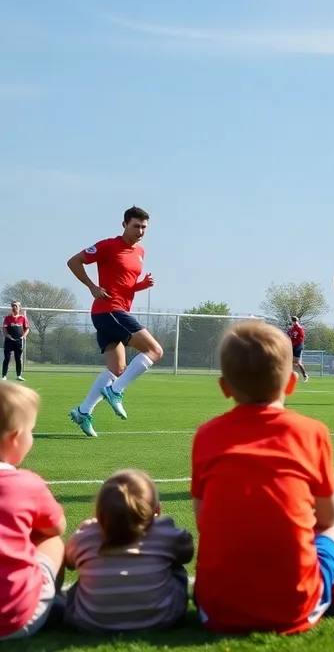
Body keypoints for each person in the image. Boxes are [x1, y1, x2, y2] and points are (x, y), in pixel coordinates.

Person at [192, 321, 334, 635]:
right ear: (290, 383)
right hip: (293, 607)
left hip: (215, 609)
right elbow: (328, 516)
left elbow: (203, 521)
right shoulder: (311, 432)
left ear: (225, 387)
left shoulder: (205, 435)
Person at [66, 206, 163, 438]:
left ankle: (83, 412)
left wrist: (140, 286)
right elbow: (74, 261)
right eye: (136, 226)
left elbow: (123, 285)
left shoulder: (140, 252)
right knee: (155, 350)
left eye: (144, 227)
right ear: (124, 225)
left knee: (117, 369)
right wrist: (92, 287)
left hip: (114, 312)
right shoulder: (108, 246)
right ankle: (116, 391)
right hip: (108, 310)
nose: (140, 231)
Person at [64, 469, 193, 632]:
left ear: (98, 512)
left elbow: (69, 562)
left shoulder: (86, 535)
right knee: (175, 566)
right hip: (163, 617)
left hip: (91, 620)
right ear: (157, 510)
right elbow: (187, 554)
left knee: (82, 575)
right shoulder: (165, 531)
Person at [0, 384, 66, 641]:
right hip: (14, 620)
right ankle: (53, 601)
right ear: (15, 438)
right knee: (50, 538)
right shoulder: (27, 484)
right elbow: (57, 526)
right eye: (32, 431)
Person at [2, 301, 29, 382]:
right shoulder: (7, 318)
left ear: (19, 307)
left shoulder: (23, 318)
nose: (14, 307)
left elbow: (27, 328)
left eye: (16, 306)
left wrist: (24, 336)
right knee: (7, 358)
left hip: (18, 341)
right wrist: (7, 335)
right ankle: (4, 375)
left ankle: (19, 375)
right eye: (13, 306)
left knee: (18, 359)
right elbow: (4, 328)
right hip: (9, 341)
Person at [287, 316, 309, 383]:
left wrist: (294, 344)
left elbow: (301, 338)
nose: (293, 323)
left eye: (294, 321)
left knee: (298, 362)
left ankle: (305, 375)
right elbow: (290, 336)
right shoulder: (292, 329)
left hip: (298, 347)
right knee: (290, 361)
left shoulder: (299, 329)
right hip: (292, 346)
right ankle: (290, 376)